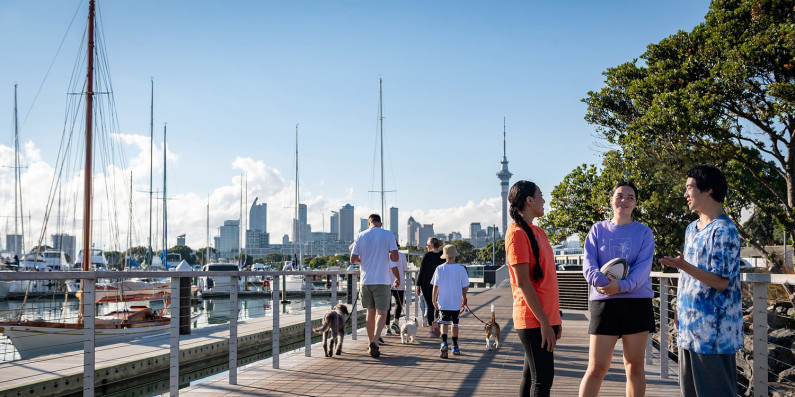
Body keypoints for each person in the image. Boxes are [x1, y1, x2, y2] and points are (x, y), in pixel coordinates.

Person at [659, 165, 742, 397]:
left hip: (714, 335)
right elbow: (688, 278)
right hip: (688, 328)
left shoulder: (725, 230)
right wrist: (678, 308)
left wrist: (683, 265)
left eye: (689, 188)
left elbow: (721, 282)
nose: (685, 194)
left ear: (708, 190)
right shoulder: (691, 229)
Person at [579, 181, 655, 397]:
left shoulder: (644, 232)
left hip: (636, 302)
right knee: (597, 368)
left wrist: (620, 286)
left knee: (634, 367)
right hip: (604, 302)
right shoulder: (597, 230)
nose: (624, 200)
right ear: (611, 200)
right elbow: (588, 264)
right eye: (620, 195)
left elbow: (642, 269)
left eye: (630, 197)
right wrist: (604, 285)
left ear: (636, 204)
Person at [505, 180, 561, 396]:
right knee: (543, 379)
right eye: (540, 195)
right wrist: (545, 323)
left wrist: (556, 318)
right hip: (533, 320)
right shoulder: (516, 234)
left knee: (531, 377)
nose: (544, 200)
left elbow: (547, 280)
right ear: (529, 200)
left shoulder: (538, 232)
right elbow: (523, 283)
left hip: (546, 318)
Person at [350, 214, 400, 358]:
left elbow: (353, 259)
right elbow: (395, 258)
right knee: (382, 313)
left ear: (368, 223)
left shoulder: (360, 235)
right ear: (381, 223)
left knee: (370, 313)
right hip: (382, 280)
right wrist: (388, 255)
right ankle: (375, 341)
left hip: (366, 281)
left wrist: (365, 258)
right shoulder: (388, 234)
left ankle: (369, 342)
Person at [431, 244, 469, 358]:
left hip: (443, 301)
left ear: (445, 256)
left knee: (444, 324)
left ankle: (443, 344)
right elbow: (464, 287)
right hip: (456, 302)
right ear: (454, 256)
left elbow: (435, 286)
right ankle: (455, 345)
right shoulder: (461, 269)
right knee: (455, 324)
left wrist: (434, 299)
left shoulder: (439, 268)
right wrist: (464, 298)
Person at [416, 237, 445, 335]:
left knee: (430, 306)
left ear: (432, 244)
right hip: (440, 284)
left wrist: (417, 285)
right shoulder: (443, 256)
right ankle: (437, 324)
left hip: (427, 284)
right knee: (439, 306)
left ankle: (432, 330)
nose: (427, 246)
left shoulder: (427, 255)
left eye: (428, 244)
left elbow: (422, 271)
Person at [387, 238, 409, 335]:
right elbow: (405, 269)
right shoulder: (402, 256)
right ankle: (396, 322)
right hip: (399, 282)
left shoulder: (385, 256)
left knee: (386, 306)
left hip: (386, 282)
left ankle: (387, 328)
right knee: (399, 304)